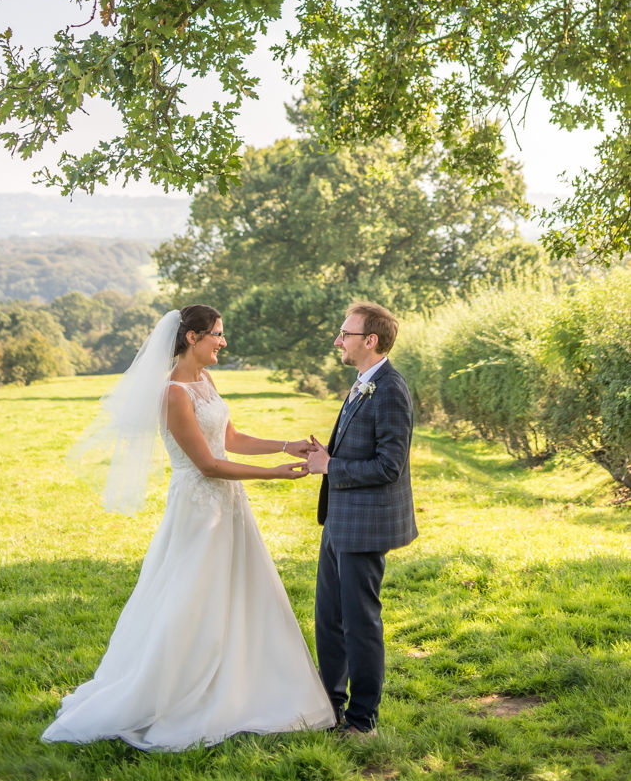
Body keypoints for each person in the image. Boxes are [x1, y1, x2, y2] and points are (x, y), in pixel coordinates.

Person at [42, 304, 335, 750]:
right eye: (217, 334)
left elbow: (230, 439)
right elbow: (208, 464)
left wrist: (285, 445)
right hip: (199, 506)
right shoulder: (173, 394)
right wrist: (274, 474)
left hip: (229, 504)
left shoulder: (206, 380)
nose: (223, 342)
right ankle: (177, 688)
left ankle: (239, 683)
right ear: (192, 337)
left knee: (239, 589)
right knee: (194, 595)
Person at [307, 301, 417, 736]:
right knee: (328, 621)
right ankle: (330, 706)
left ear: (370, 340)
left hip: (365, 527)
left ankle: (362, 719)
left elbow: (390, 466)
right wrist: (327, 455)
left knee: (360, 624)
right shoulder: (362, 383)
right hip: (339, 521)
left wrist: (330, 466)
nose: (338, 341)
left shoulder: (389, 389)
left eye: (345, 334)